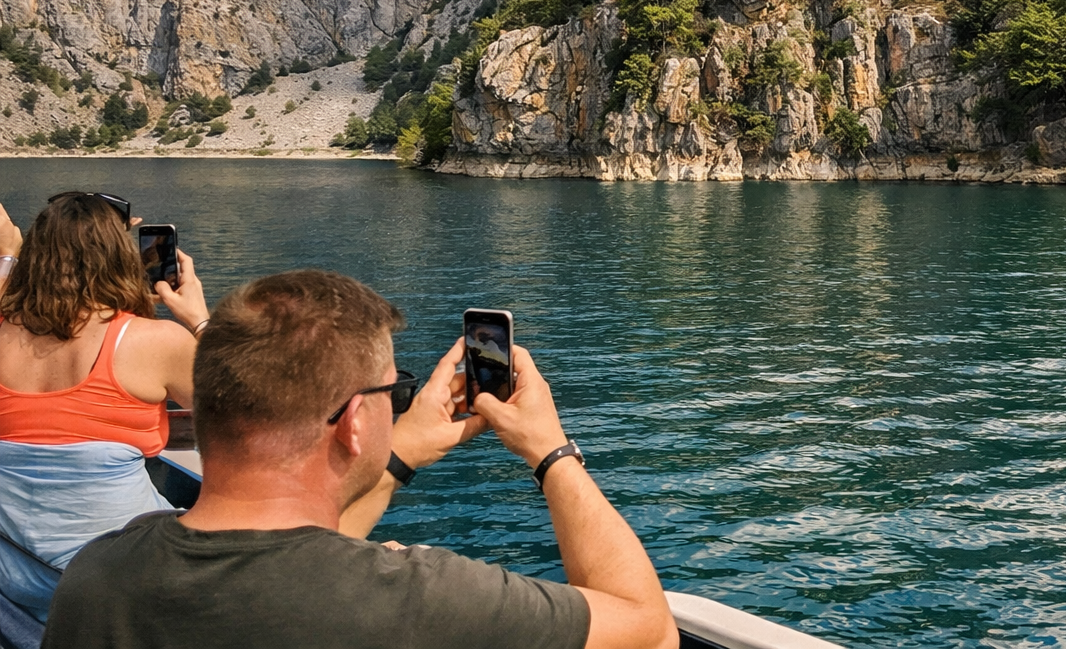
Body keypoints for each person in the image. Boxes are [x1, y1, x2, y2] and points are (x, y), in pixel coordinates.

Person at [43, 270, 678, 649]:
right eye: (391, 389)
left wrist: (402, 450)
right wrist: (550, 451)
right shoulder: (416, 598)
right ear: (352, 421)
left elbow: (272, 567)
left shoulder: (98, 578)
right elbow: (650, 632)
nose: (398, 400)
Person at [0, 193, 207, 624]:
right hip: (119, 582)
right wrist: (199, 320)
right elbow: (257, 419)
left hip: (16, 588)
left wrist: (16, 252)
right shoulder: (156, 342)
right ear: (120, 259)